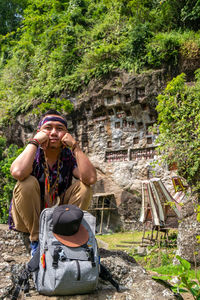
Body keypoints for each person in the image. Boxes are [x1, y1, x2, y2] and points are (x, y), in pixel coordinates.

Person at [9, 110, 97, 255]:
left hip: (57, 216)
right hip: (28, 218)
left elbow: (90, 179)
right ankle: (37, 241)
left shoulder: (68, 157)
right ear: (39, 132)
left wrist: (75, 147)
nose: (54, 132)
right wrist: (35, 141)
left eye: (60, 129)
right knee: (26, 183)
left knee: (84, 188)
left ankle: (67, 233)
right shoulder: (32, 153)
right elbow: (18, 172)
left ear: (66, 134)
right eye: (48, 128)